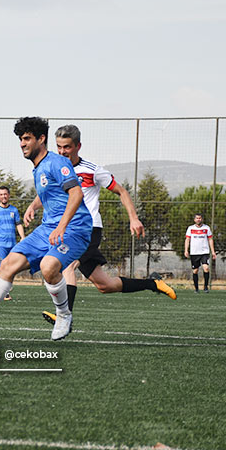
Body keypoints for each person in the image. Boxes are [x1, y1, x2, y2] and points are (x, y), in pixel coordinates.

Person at [0, 117, 93, 341]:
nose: (22, 144)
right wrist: (33, 206)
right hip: (48, 228)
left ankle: (64, 315)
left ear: (41, 139)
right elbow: (52, 191)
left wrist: (62, 226)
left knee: (48, 267)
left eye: (27, 138)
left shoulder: (57, 162)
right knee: (8, 264)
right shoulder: (39, 168)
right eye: (20, 139)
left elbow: (76, 194)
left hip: (75, 228)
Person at [36, 125, 176, 325]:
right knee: (105, 285)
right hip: (69, 230)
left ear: (78, 146)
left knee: (66, 265)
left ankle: (63, 317)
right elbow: (47, 194)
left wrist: (134, 218)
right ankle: (153, 283)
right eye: (59, 147)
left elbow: (122, 191)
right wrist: (33, 206)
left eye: (67, 147)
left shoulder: (92, 170)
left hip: (88, 229)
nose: (62, 152)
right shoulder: (56, 169)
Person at [184, 214, 216, 293]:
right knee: (195, 271)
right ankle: (196, 288)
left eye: (200, 218)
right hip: (194, 252)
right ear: (194, 220)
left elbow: (210, 239)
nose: (198, 219)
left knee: (206, 268)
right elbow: (187, 239)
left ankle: (206, 287)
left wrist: (213, 252)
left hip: (204, 252)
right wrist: (186, 250)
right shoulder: (190, 228)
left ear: (202, 219)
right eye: (197, 218)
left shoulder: (206, 228)